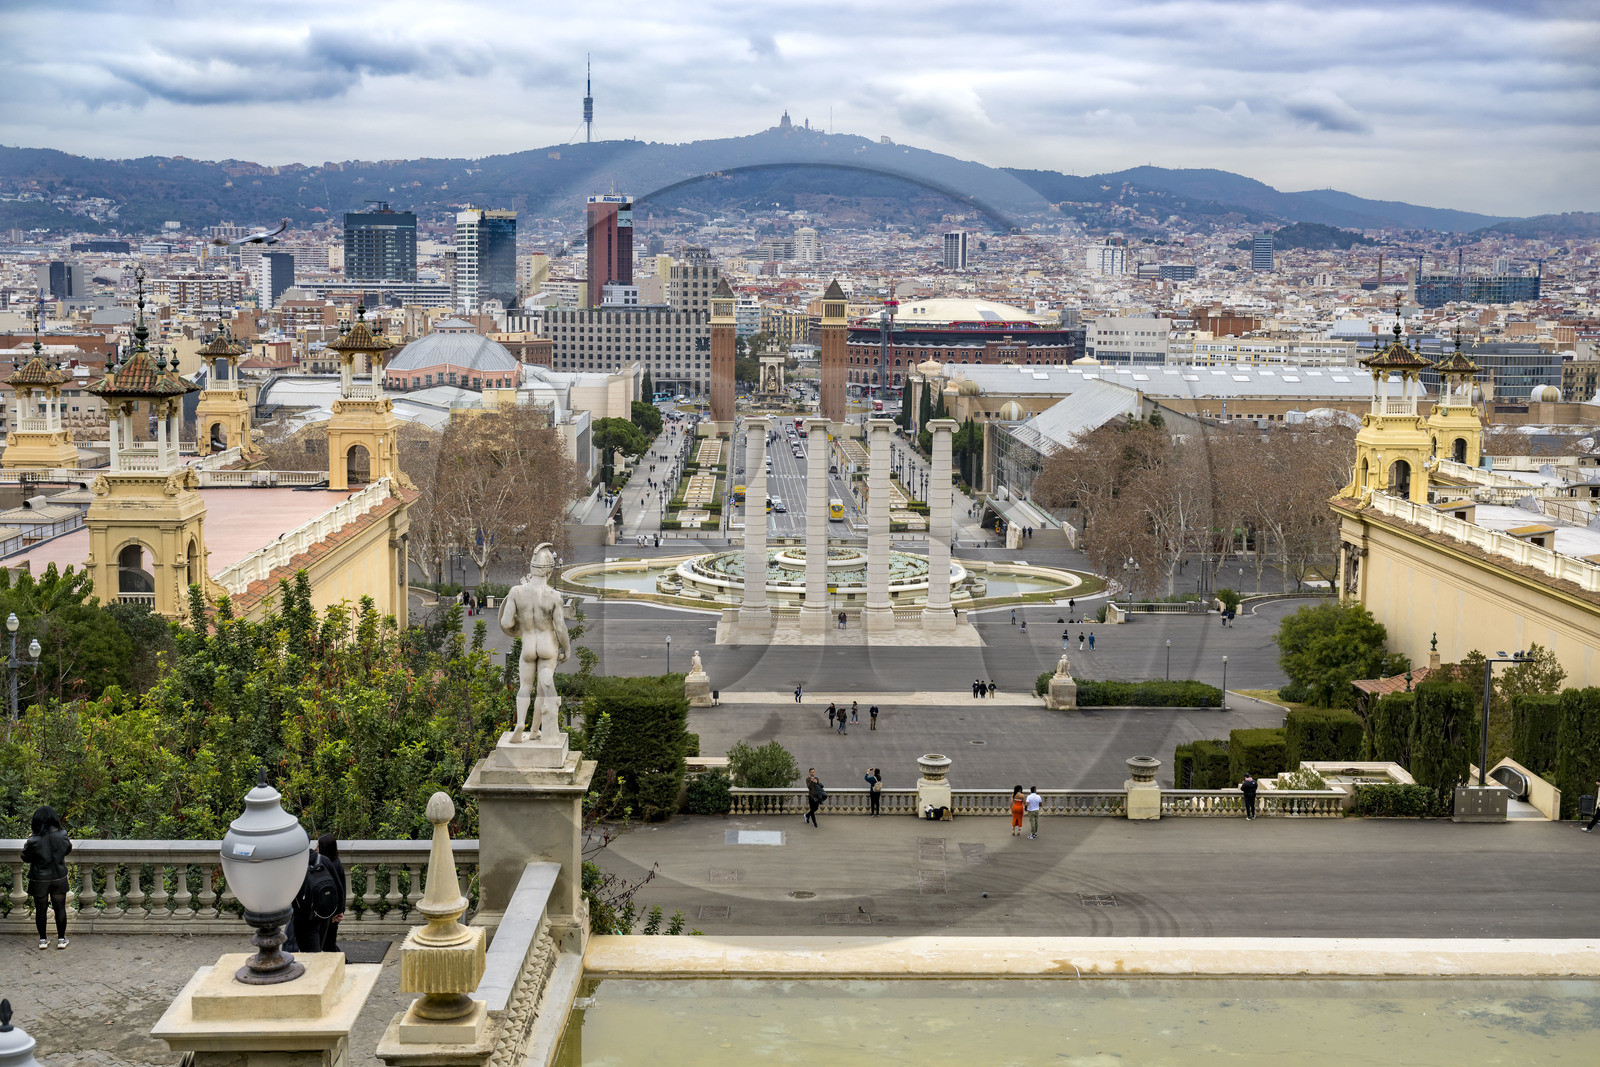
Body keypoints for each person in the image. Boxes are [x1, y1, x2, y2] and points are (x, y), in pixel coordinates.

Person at [22, 805, 71, 949]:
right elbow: (67, 850)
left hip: (39, 879)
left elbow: (25, 857)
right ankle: (61, 939)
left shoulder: (33, 840)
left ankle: (43, 940)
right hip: (58, 876)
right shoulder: (62, 834)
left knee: (40, 910)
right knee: (60, 908)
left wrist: (29, 840)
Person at [316, 833, 346, 953]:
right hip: (331, 911)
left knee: (328, 945)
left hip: (331, 912)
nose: (316, 849)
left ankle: (344, 963)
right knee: (327, 943)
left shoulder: (331, 865)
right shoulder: (334, 862)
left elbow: (339, 890)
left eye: (318, 846)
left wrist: (338, 911)